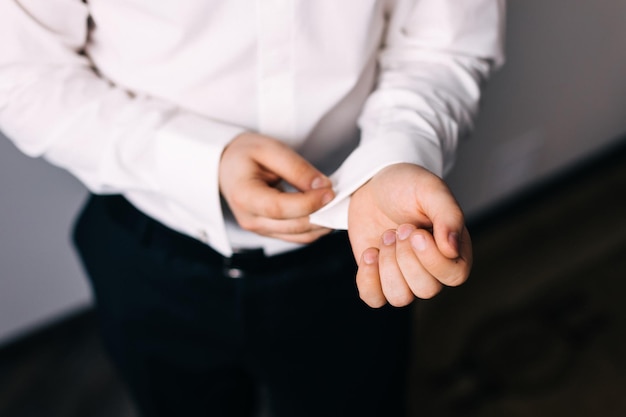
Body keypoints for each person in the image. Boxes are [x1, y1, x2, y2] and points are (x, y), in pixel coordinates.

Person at [0, 1, 505, 416]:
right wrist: (201, 159)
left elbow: (444, 40)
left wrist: (397, 150)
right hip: (150, 250)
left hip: (359, 248)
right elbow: (21, 72)